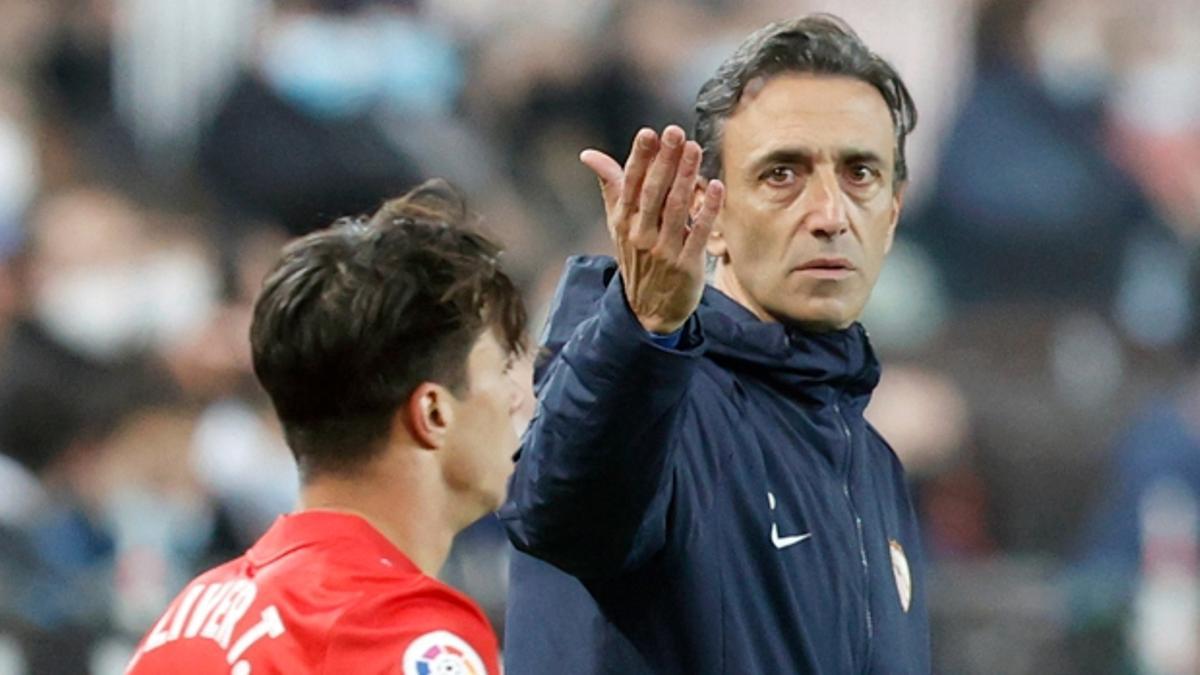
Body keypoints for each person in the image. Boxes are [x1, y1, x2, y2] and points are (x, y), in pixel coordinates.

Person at [501, 14, 930, 673]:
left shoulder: (874, 464)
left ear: (893, 215)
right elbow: (562, 516)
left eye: (860, 173)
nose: (830, 215)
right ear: (713, 213)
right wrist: (642, 328)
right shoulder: (652, 401)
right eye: (782, 173)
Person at [125, 179, 527, 675]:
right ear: (433, 414)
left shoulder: (190, 617)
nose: (514, 397)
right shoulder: (404, 631)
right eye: (500, 370)